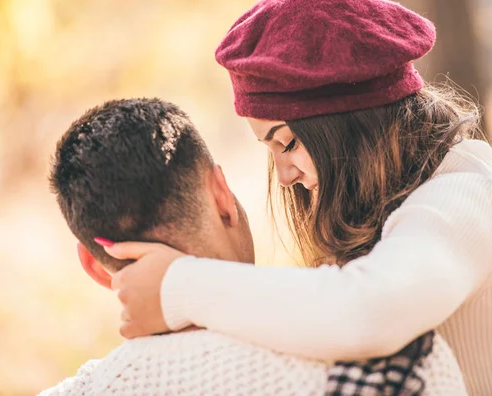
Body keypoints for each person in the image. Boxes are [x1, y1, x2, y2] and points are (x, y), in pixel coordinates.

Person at [100, 0, 492, 395]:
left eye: (287, 143)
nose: (283, 176)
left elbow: (367, 311)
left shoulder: (462, 196)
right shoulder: (440, 201)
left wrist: (179, 286)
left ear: (347, 128)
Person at [41, 98, 468, 395]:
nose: (284, 177)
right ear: (222, 196)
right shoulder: (397, 366)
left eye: (288, 143)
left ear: (95, 266)